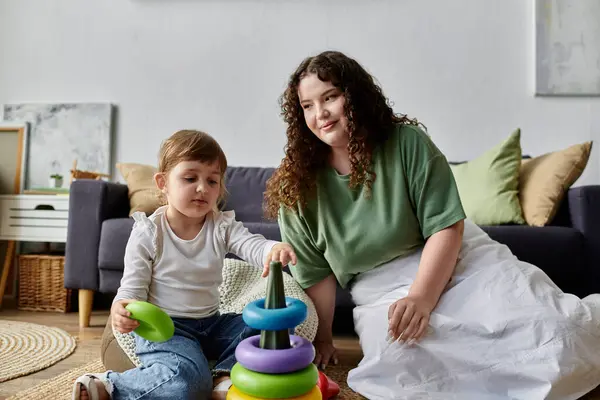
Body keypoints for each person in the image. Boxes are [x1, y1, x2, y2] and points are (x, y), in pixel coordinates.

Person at [264, 50, 600, 399]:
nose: (320, 114)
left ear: (354, 95)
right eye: (307, 105)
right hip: (379, 289)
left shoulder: (406, 142)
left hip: (457, 257)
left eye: (330, 97)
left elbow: (446, 227)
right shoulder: (297, 186)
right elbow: (317, 275)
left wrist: (422, 298)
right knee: (401, 368)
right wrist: (323, 338)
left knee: (560, 331)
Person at [73, 130, 297, 400]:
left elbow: (250, 244)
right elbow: (132, 287)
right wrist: (122, 307)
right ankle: (110, 385)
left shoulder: (221, 226)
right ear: (163, 183)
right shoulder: (148, 233)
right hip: (166, 329)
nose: (202, 188)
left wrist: (272, 248)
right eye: (190, 178)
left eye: (212, 181)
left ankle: (224, 377)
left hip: (211, 324)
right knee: (188, 384)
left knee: (274, 325)